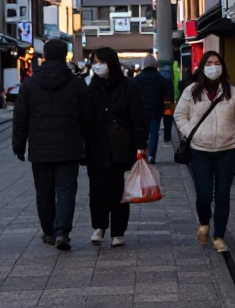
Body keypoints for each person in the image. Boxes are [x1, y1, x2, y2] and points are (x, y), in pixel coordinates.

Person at [11, 39, 92, 250]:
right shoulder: (76, 84)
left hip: (40, 149)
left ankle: (48, 231)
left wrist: (18, 146)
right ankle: (62, 231)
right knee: (66, 189)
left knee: (44, 191)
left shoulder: (29, 84)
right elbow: (87, 118)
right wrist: (88, 144)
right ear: (65, 56)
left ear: (44, 56)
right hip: (69, 147)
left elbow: (20, 118)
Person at [174, 51, 235, 254]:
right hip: (199, 151)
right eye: (209, 63)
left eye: (217, 63)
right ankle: (204, 224)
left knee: (222, 195)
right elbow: (179, 115)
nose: (213, 67)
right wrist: (191, 132)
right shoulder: (192, 91)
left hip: (226, 151)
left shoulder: (232, 92)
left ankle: (219, 236)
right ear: (202, 67)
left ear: (222, 67)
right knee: (203, 195)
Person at [85, 47, 147, 248]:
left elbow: (137, 116)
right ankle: (100, 226)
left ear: (110, 63)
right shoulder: (91, 87)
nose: (97, 65)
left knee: (119, 191)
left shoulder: (128, 87)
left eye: (100, 61)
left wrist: (141, 144)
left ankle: (118, 231)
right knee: (97, 190)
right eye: (94, 61)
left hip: (122, 146)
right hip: (96, 147)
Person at [133, 54, 174, 163]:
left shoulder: (136, 79)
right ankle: (151, 155)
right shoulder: (161, 79)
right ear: (155, 65)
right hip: (156, 110)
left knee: (142, 133)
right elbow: (168, 92)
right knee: (154, 133)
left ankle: (141, 153)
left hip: (141, 111)